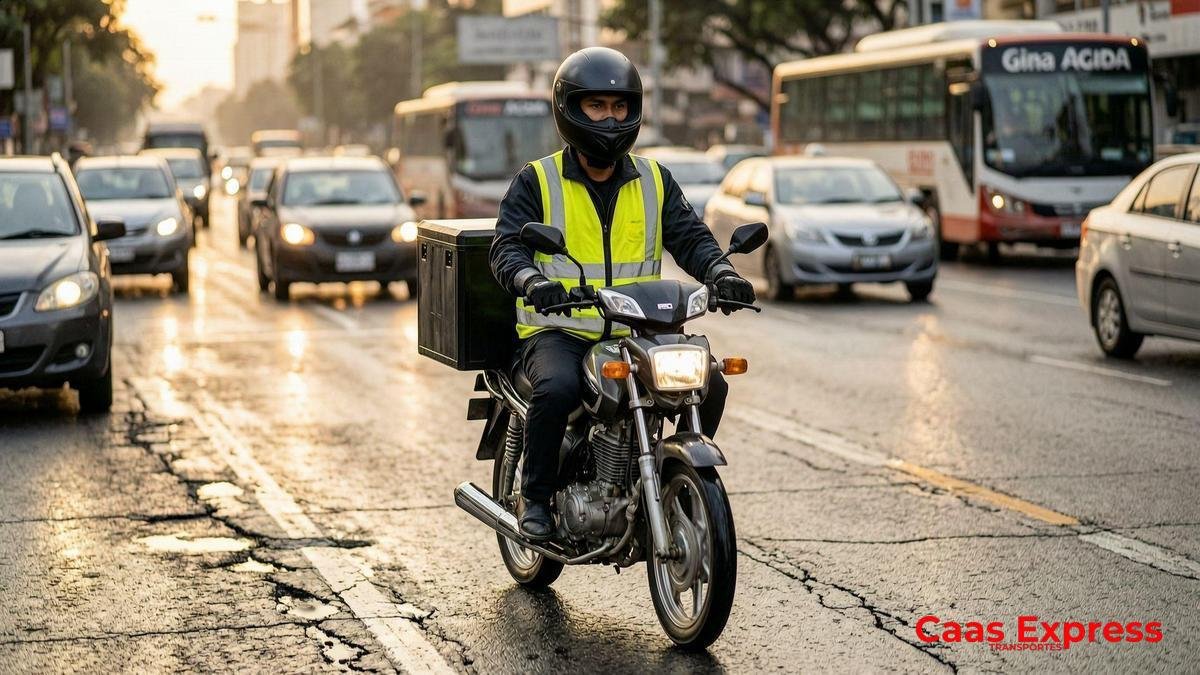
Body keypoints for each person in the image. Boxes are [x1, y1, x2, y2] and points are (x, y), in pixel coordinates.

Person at [489, 47, 756, 540]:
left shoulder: (654, 180)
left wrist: (720, 272)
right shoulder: (537, 180)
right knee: (557, 390)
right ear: (570, 108)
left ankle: (673, 477)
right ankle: (540, 499)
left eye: (619, 107)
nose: (609, 118)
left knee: (710, 381)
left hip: (640, 331)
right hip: (560, 331)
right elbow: (507, 248)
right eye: (596, 106)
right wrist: (534, 283)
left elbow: (689, 236)